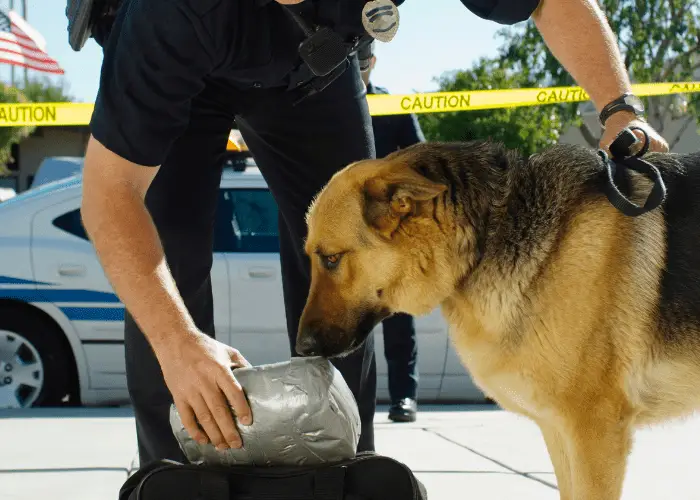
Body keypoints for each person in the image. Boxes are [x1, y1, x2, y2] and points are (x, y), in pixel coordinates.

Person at [78, 0, 669, 470]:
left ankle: (341, 473)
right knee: (168, 271)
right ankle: (172, 474)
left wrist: (620, 110)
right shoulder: (172, 16)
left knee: (349, 250)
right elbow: (109, 198)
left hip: (312, 67)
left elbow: (550, 0)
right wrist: (179, 344)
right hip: (190, 69)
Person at [361, 50, 424, 423]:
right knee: (350, 318)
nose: (360, 63)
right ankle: (351, 400)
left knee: (398, 318)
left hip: (393, 235)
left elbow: (424, 162)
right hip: (348, 237)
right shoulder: (323, 109)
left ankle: (404, 397)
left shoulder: (394, 106)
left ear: (374, 61)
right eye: (353, 57)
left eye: (365, 57)